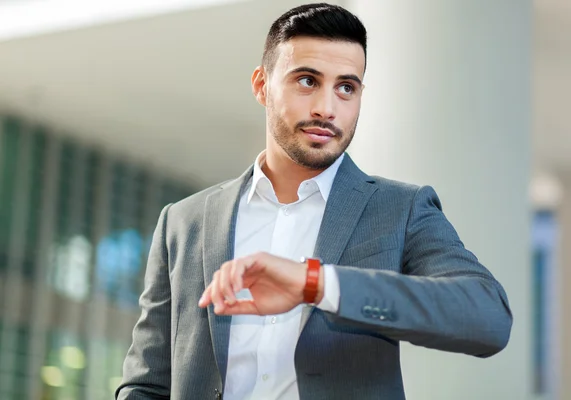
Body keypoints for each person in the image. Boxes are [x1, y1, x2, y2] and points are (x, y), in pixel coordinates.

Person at [116, 3, 512, 400]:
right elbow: (147, 384)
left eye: (346, 87)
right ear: (261, 85)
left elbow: (488, 319)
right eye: (307, 80)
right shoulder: (184, 223)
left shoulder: (400, 210)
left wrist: (316, 283)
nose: (327, 108)